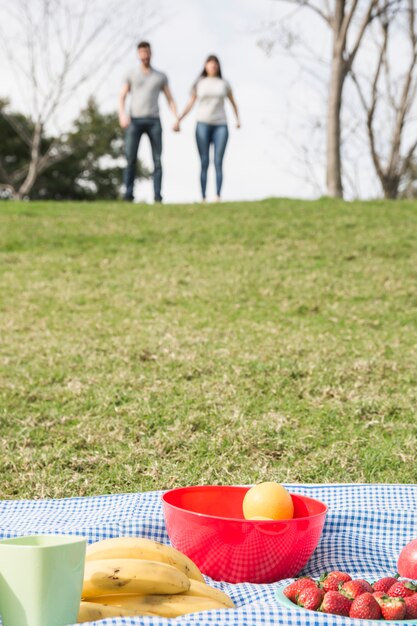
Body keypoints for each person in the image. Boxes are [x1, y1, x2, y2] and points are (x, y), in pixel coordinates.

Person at [119, 41, 179, 203]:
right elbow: (122, 96)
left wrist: (176, 118)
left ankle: (158, 196)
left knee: (157, 160)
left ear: (151, 53)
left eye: (147, 52)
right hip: (134, 121)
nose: (144, 55)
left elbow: (170, 98)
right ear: (138, 55)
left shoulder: (160, 76)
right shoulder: (131, 74)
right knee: (130, 158)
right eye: (141, 53)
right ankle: (128, 195)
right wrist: (122, 115)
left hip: (154, 121)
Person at [176, 54, 240, 202]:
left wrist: (237, 120)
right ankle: (203, 197)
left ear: (218, 66)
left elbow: (233, 103)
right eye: (210, 63)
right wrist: (179, 119)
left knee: (218, 161)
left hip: (221, 125)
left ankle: (217, 196)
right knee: (204, 161)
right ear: (205, 66)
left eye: (215, 63)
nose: (212, 65)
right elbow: (190, 104)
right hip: (202, 124)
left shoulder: (224, 83)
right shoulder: (199, 83)